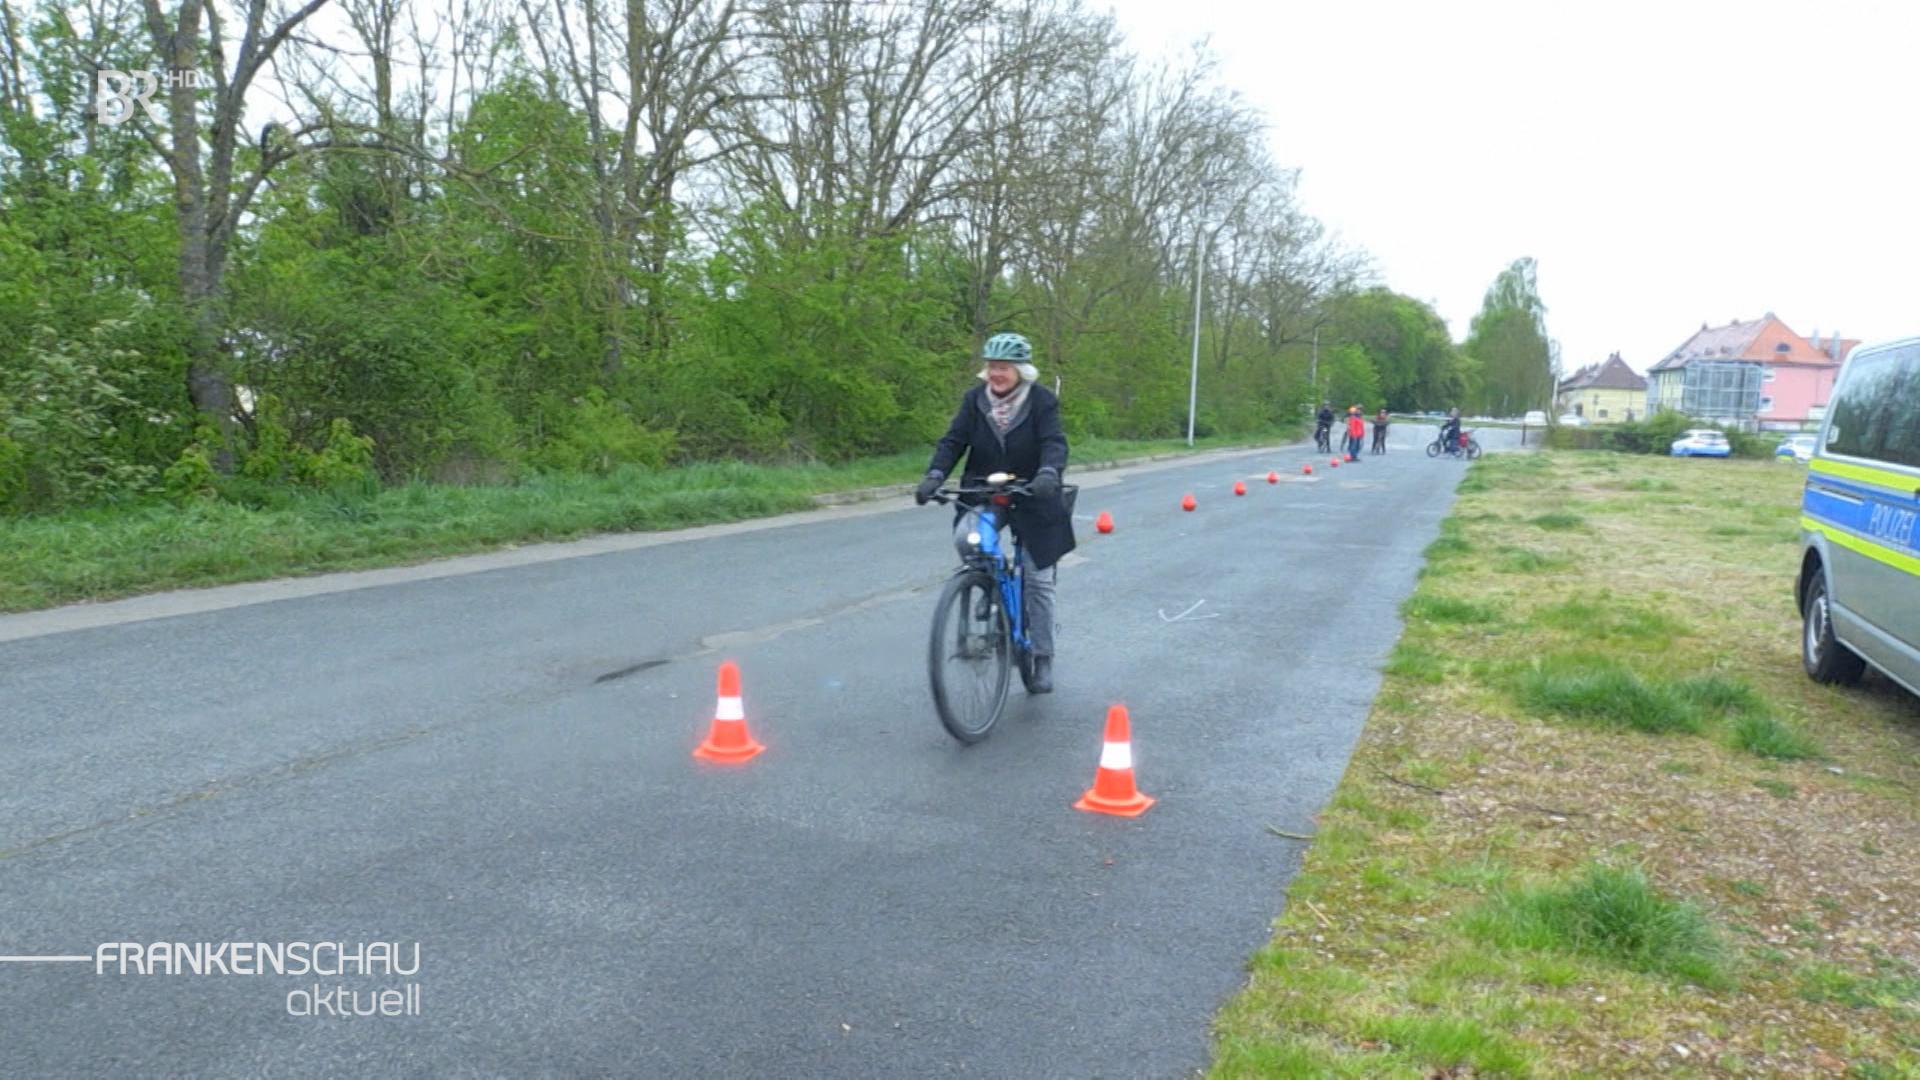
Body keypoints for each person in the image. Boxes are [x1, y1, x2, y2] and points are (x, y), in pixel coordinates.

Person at [914, 332, 1074, 693]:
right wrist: (935, 474)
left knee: (1037, 579)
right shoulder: (975, 401)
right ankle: (990, 580)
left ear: (1021, 370)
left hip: (1033, 493)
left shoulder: (1042, 401)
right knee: (968, 538)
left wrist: (1049, 473)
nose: (996, 374)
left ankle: (1043, 656)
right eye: (991, 367)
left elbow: (1053, 442)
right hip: (984, 489)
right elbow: (954, 440)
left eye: (1003, 367)